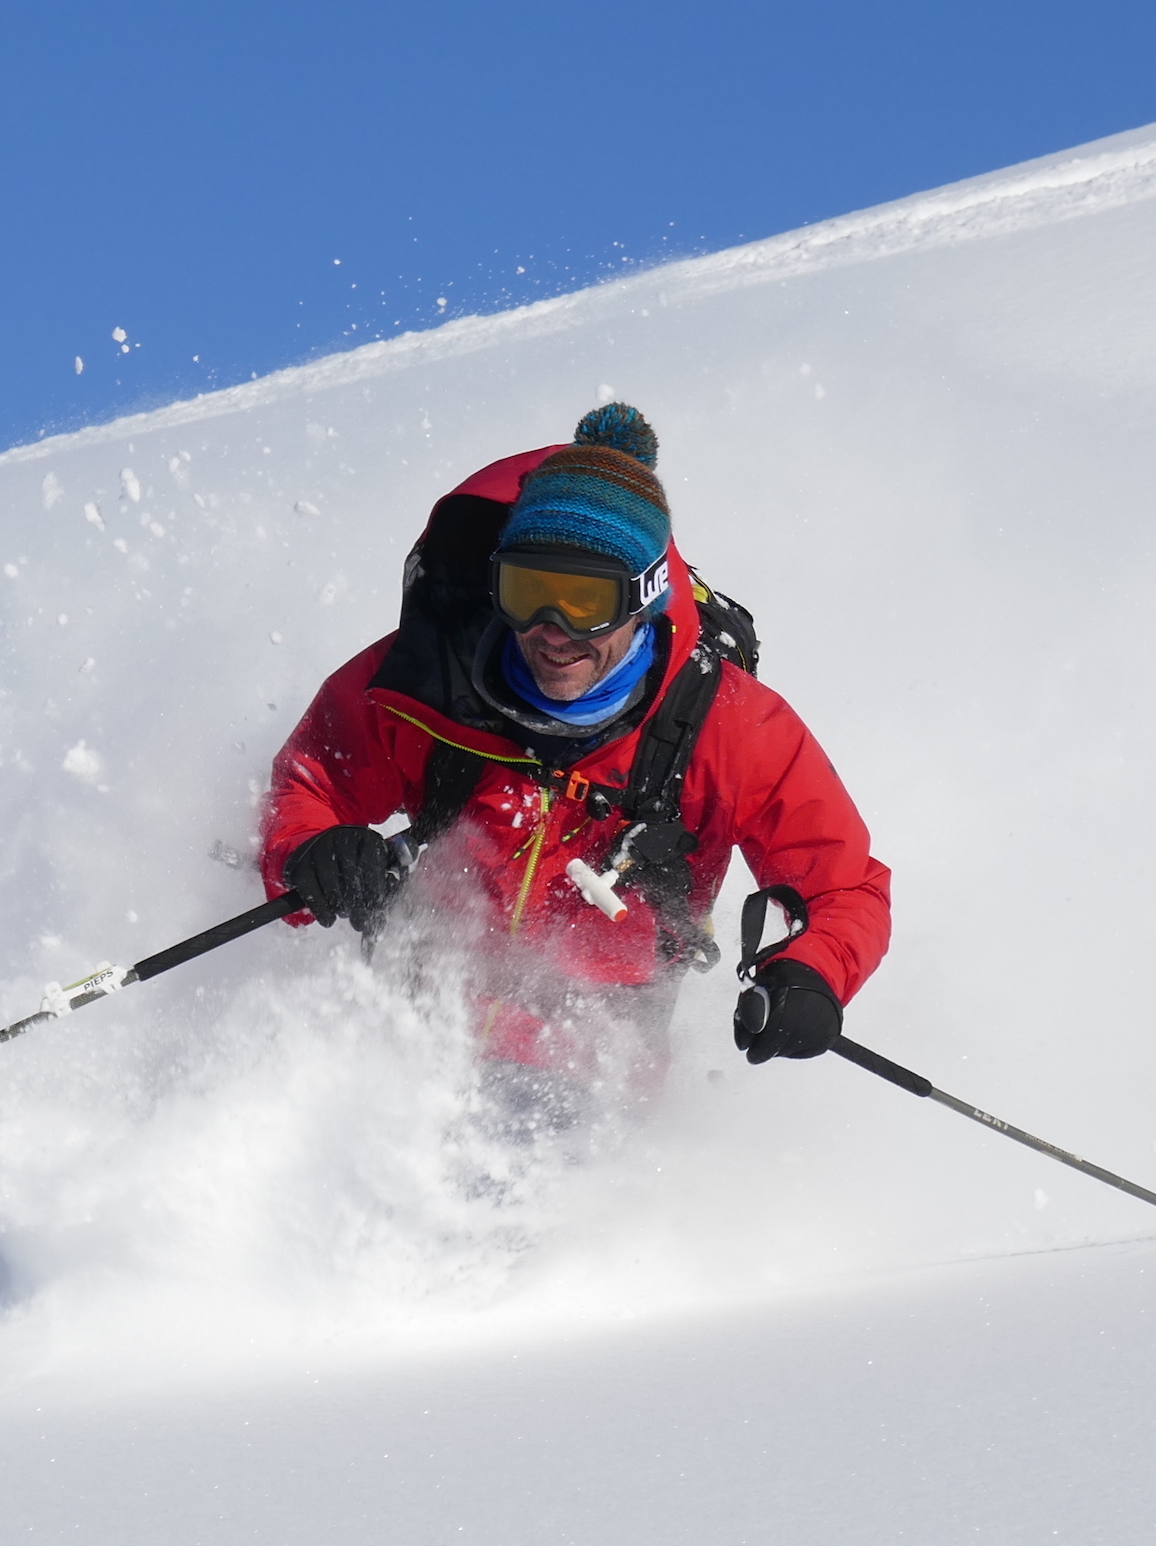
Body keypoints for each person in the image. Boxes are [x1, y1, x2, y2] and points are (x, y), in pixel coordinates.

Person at [259, 404, 890, 1096]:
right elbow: (309, 781)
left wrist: (812, 972)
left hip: (594, 1063)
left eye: (583, 601)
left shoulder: (731, 726)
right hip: (411, 1034)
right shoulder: (425, 681)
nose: (549, 631)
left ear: (642, 598)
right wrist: (311, 849)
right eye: (527, 591)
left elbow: (842, 884)